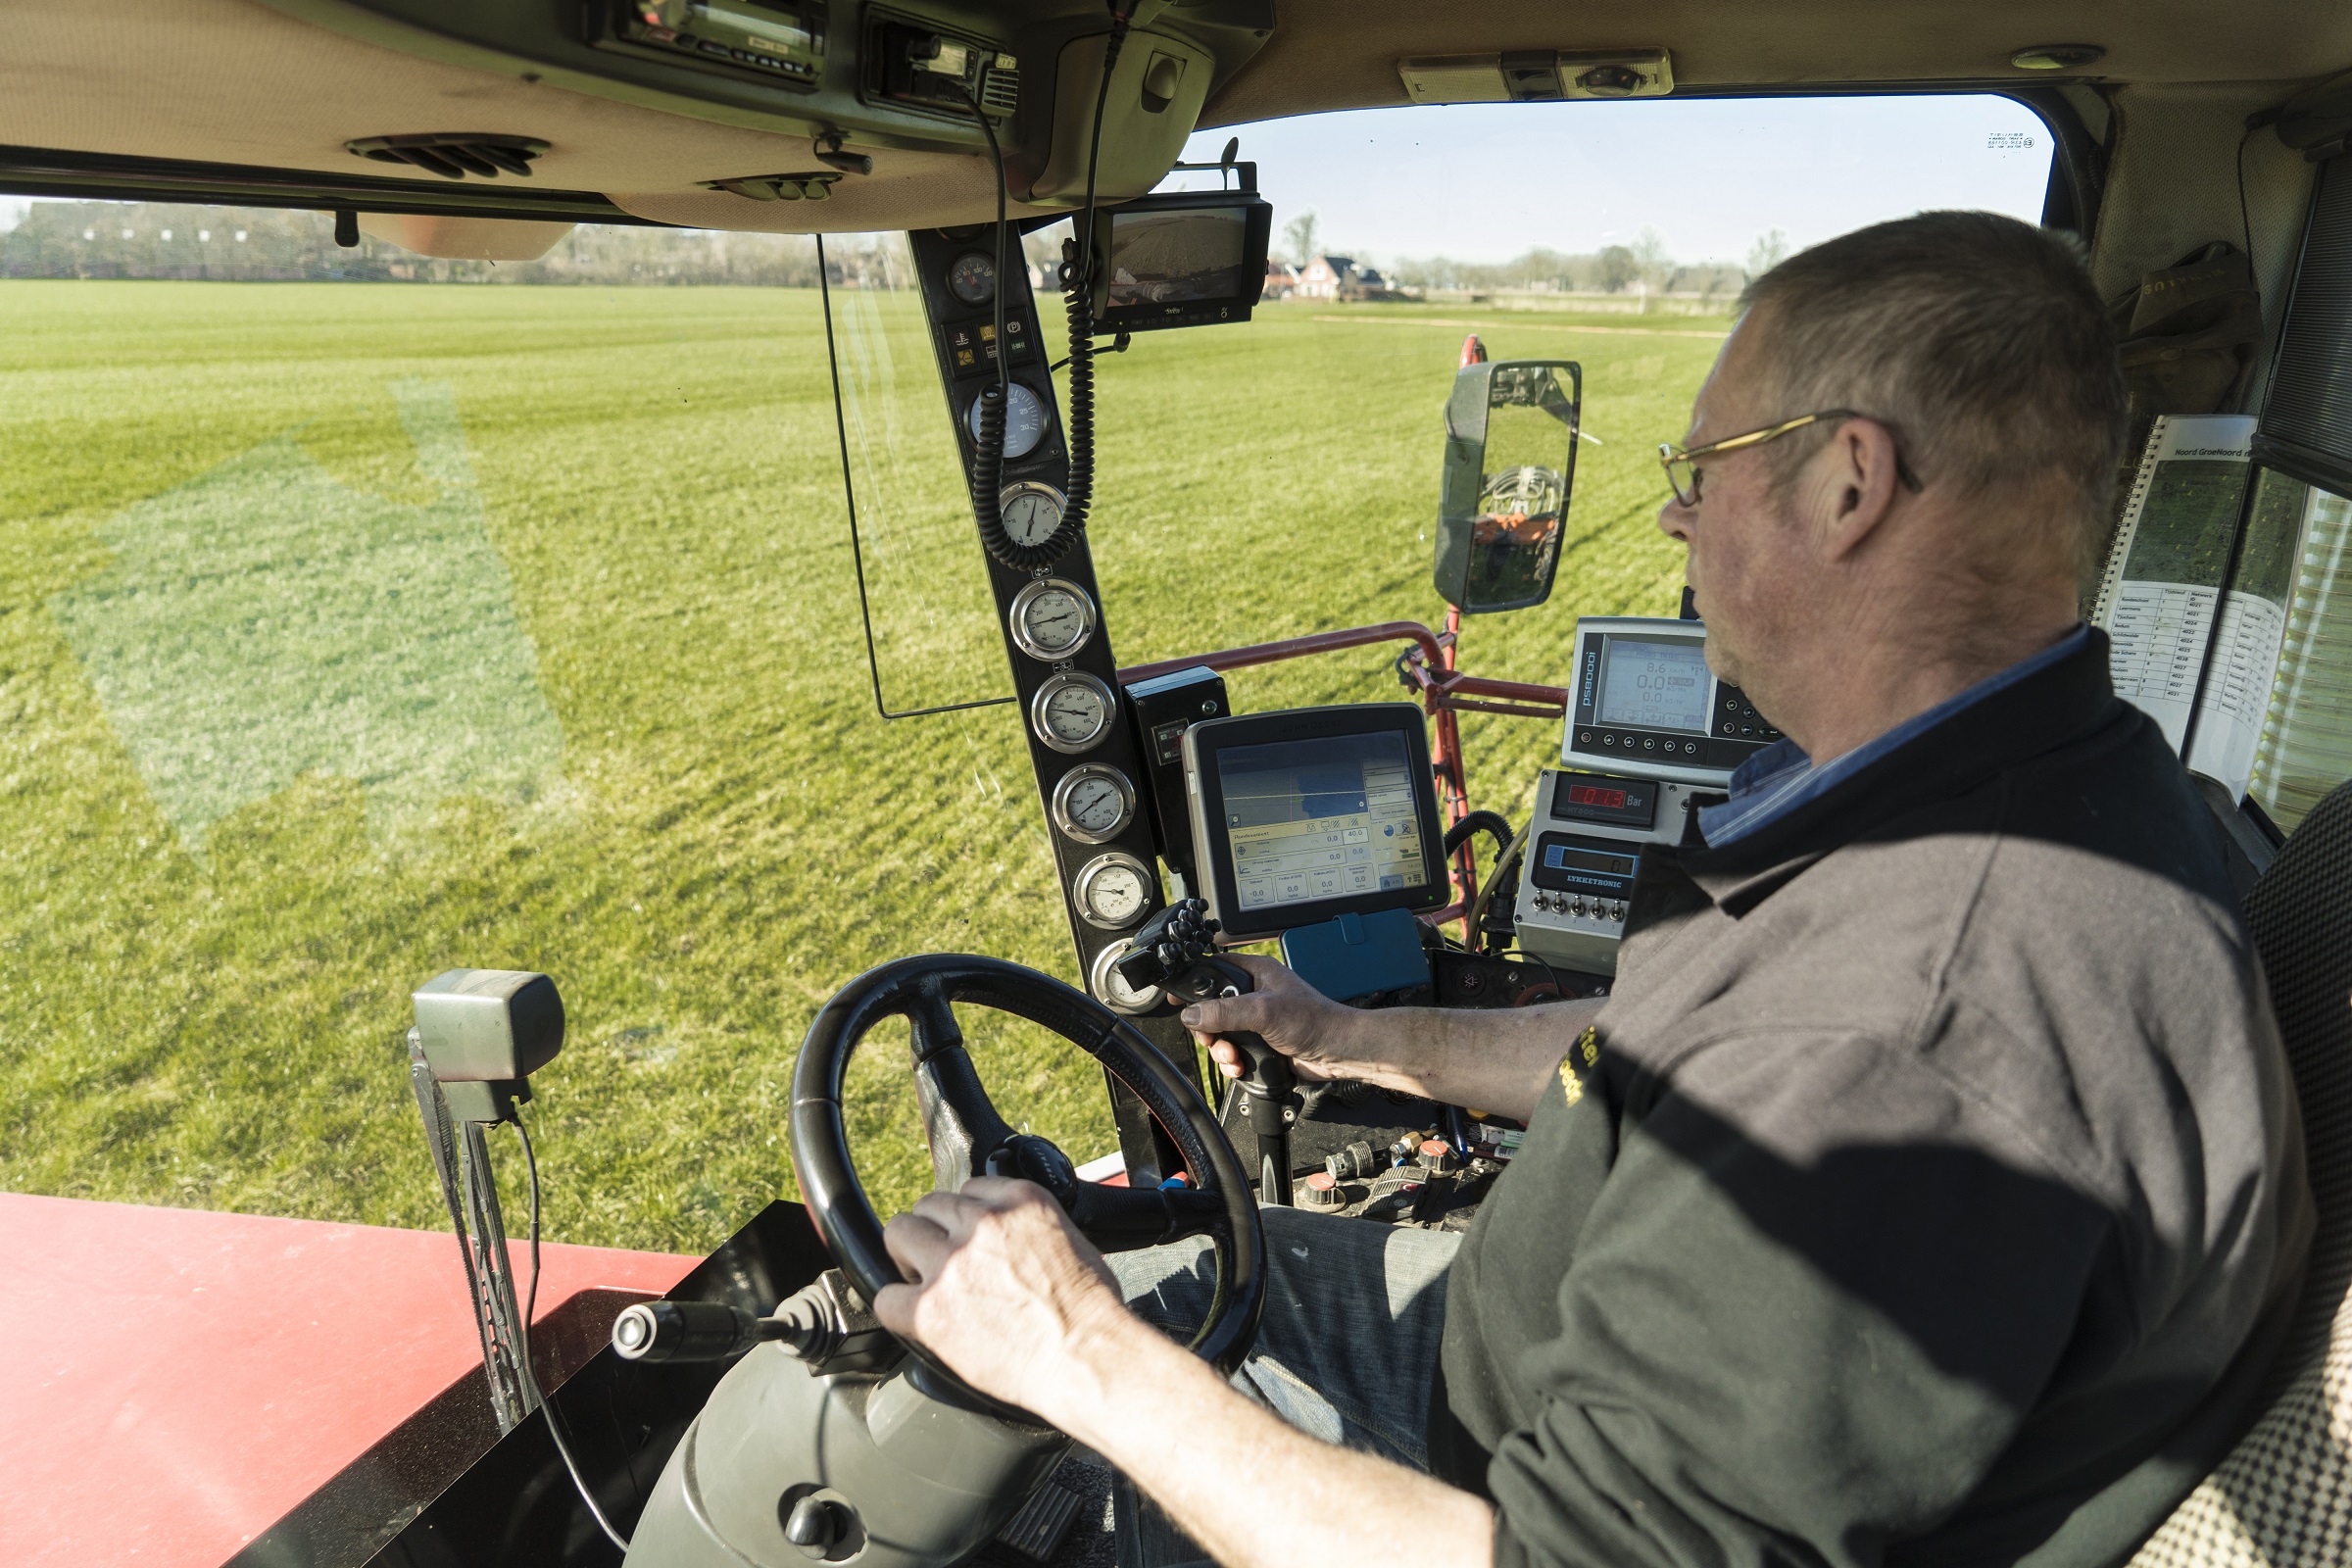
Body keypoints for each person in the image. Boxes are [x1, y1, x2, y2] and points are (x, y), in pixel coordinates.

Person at [869, 212, 2314, 1568]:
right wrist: (1355, 1036)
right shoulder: (2046, 786)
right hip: (1528, 1346)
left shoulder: (1905, 1031)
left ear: (1849, 484)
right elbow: (1677, 1066)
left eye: (1703, 471)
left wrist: (1072, 1350)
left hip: (1492, 1477)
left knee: (1057, 1401)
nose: (1679, 524)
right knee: (1183, 1277)